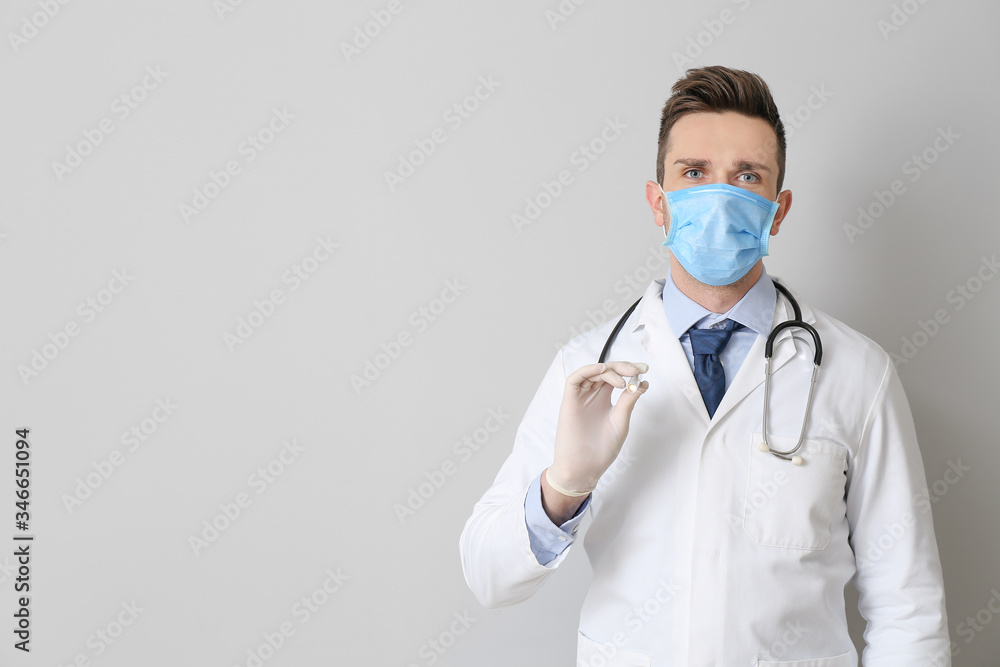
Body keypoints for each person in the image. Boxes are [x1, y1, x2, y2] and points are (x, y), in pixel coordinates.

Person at [459, 66, 951, 666]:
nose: (720, 198)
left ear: (778, 210)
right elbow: (489, 575)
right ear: (658, 203)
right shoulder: (588, 365)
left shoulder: (857, 372)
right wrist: (564, 487)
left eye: (748, 176)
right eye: (694, 173)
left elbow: (908, 608)